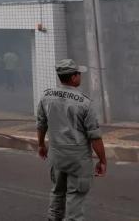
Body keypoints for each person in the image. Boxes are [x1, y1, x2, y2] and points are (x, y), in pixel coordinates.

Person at [37, 59, 107, 221]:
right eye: (78, 73)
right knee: (75, 196)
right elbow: (94, 136)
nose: (80, 76)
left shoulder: (46, 96)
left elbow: (41, 124)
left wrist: (41, 145)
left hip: (56, 155)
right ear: (74, 77)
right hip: (78, 158)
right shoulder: (84, 103)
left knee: (57, 191)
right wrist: (102, 160)